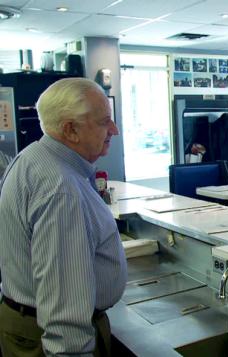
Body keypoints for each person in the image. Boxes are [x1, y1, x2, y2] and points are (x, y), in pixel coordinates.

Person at [0, 78, 127, 356]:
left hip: (25, 321)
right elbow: (65, 307)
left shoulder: (32, 158)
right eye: (105, 121)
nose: (114, 130)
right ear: (71, 130)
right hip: (47, 337)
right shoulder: (60, 188)